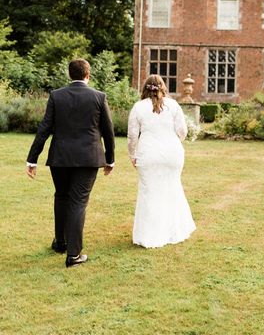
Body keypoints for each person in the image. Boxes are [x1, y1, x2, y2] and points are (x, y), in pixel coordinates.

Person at [26, 59, 115, 268]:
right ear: (88, 74)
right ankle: (73, 254)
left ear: (70, 74)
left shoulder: (57, 96)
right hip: (88, 158)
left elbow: (44, 128)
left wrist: (33, 158)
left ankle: (61, 243)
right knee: (77, 202)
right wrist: (110, 159)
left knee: (62, 197)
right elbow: (108, 131)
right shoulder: (99, 97)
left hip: (61, 157)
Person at [127, 74, 195, 248]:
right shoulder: (173, 105)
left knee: (149, 193)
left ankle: (149, 235)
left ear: (145, 88)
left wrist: (132, 155)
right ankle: (173, 231)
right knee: (172, 190)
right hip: (172, 154)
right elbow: (183, 132)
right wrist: (172, 143)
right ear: (163, 87)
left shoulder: (138, 107)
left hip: (148, 154)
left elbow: (132, 136)